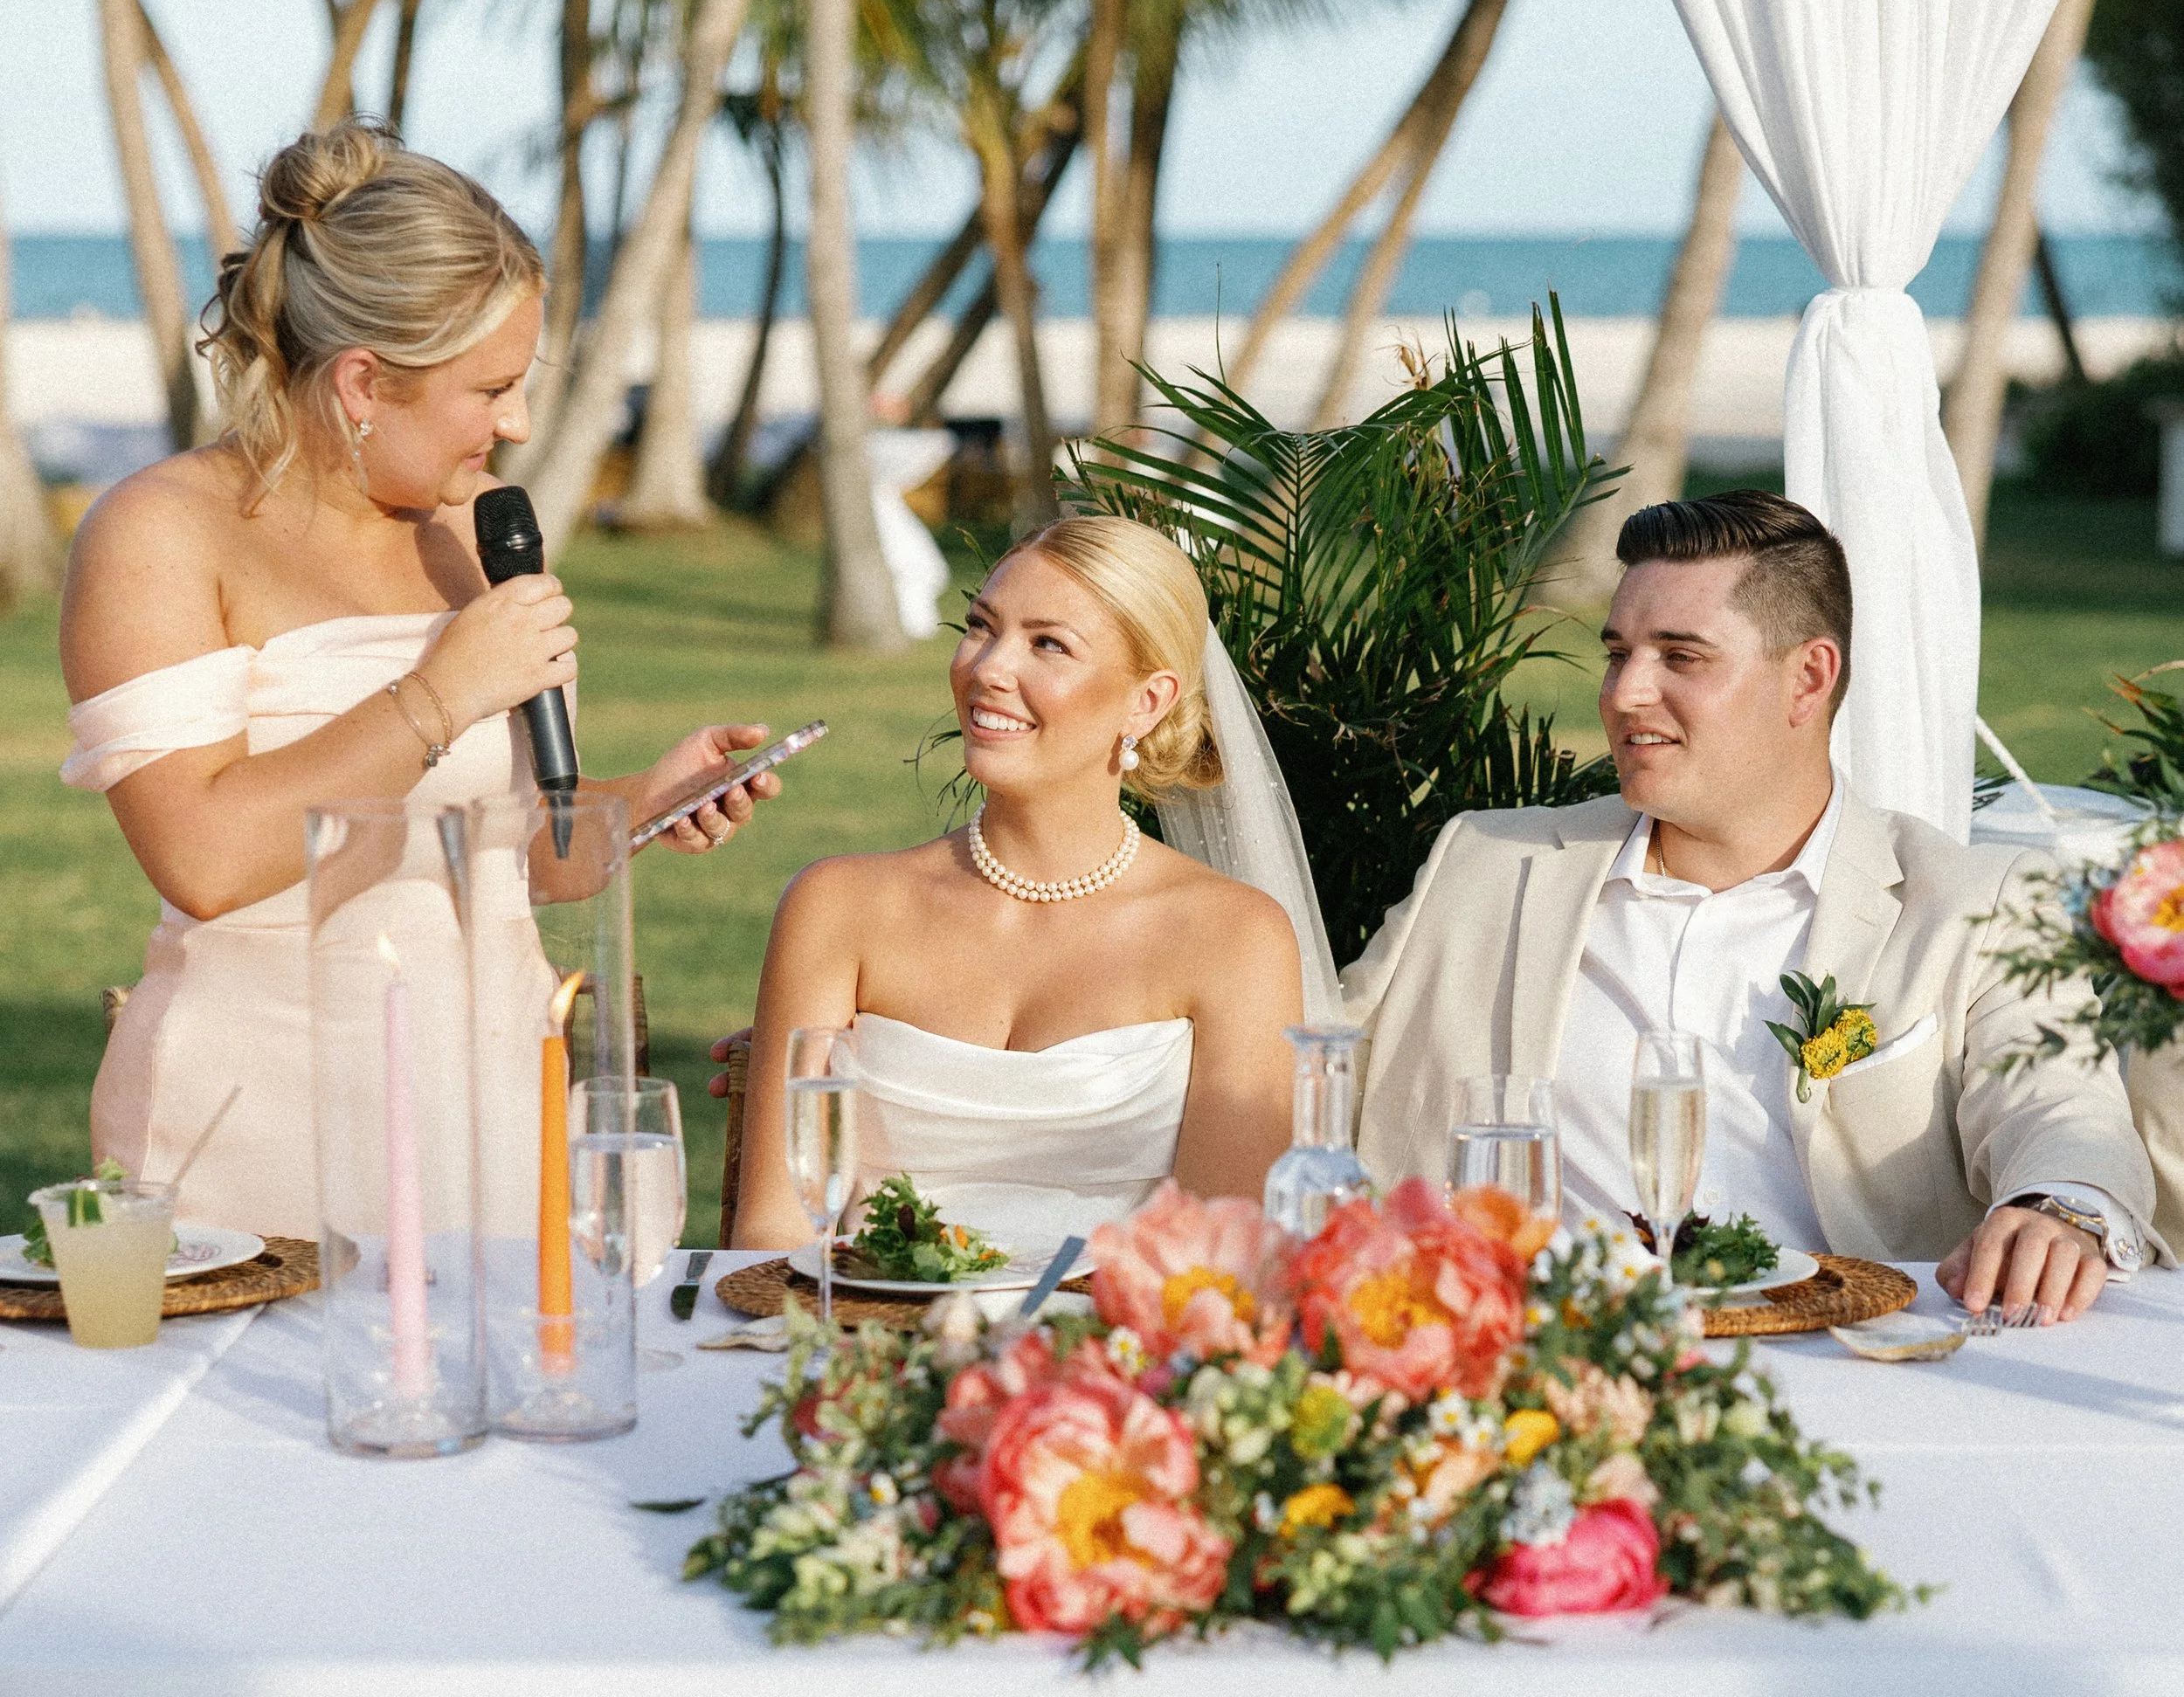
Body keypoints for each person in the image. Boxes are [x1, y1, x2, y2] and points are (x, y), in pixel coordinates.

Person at [59, 124, 781, 1237]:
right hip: (259, 1136)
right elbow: (201, 859)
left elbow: (513, 854)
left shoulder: (471, 530)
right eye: (490, 387)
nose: (518, 423)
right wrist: (443, 692)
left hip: (499, 1118)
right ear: (364, 382)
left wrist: (642, 801)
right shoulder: (162, 531)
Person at [1344, 492, 2158, 1322]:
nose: (1626, 694)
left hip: (1852, 1372)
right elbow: (1309, 1067)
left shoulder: (1971, 905)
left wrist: (2059, 1211)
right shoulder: (1485, 864)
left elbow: (2065, 1110)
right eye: (1619, 652)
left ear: (1808, 677)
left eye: (1680, 657)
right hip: (1526, 1370)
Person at [728, 515, 1303, 1257]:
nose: (988, 669)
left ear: (1147, 701)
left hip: (1112, 1361)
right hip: (856, 1350)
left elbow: (1218, 1265)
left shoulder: (1232, 938)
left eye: (1048, 644)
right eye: (981, 626)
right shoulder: (838, 908)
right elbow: (771, 1238)